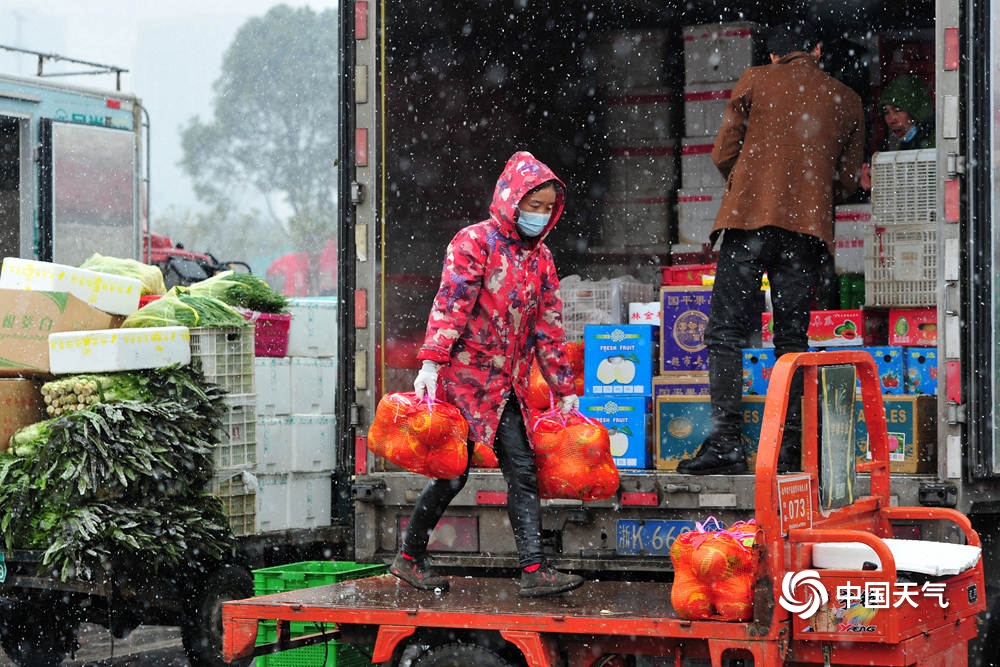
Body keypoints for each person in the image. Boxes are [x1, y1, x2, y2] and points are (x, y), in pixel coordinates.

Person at [389, 150, 585, 598]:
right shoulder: (474, 243)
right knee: (452, 473)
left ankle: (534, 569)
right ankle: (409, 557)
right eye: (531, 205)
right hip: (464, 381)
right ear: (511, 200)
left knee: (521, 469)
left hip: (508, 386)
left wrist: (563, 389)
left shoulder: (542, 260)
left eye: (546, 208)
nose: (538, 215)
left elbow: (549, 329)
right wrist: (431, 362)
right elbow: (450, 305)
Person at [677, 21, 865, 475]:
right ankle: (791, 447)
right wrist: (805, 197)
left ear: (775, 55)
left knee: (725, 334)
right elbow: (846, 178)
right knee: (791, 340)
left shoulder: (754, 80)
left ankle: (726, 442)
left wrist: (756, 187)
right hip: (805, 234)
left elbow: (723, 153)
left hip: (748, 225)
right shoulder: (847, 99)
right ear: (817, 49)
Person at [861, 74, 935, 189]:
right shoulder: (906, 144)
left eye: (898, 110)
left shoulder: (934, 142)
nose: (891, 119)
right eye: (886, 112)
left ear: (914, 109)